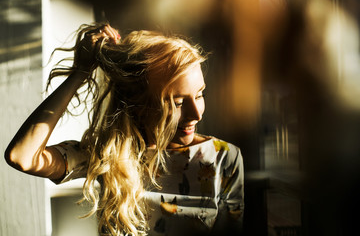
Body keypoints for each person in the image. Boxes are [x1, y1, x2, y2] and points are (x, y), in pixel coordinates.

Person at [5, 23, 244, 236]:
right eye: (178, 102)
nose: (197, 113)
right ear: (138, 104)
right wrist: (80, 73)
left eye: (200, 94)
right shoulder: (106, 156)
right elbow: (22, 156)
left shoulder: (224, 158)